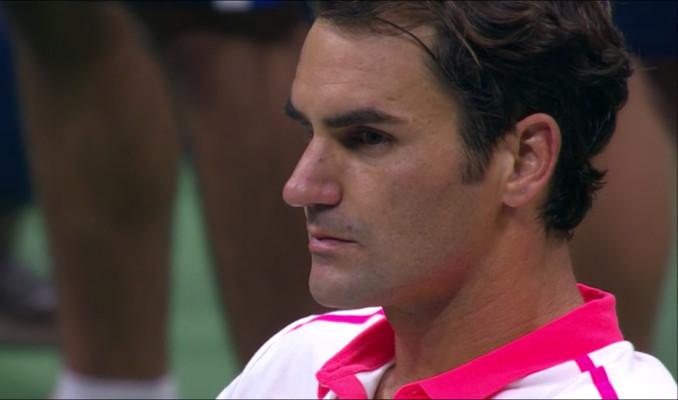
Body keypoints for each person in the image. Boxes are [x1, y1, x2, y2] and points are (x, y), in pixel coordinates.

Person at [218, 1, 677, 399]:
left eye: (368, 138)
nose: (300, 188)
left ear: (523, 160)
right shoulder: (293, 363)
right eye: (309, 132)